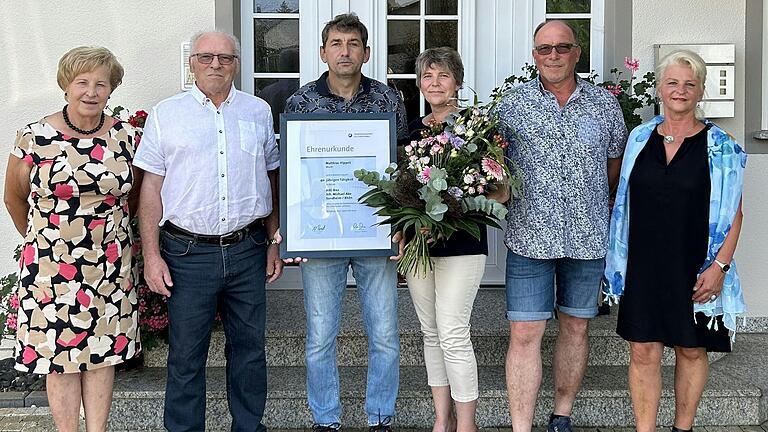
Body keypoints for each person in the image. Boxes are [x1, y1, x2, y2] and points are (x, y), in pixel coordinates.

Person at [134, 30, 283, 432]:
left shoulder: (257, 112)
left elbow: (270, 180)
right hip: (186, 254)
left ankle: (249, 427)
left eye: (225, 57)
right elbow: (150, 189)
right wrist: (151, 256)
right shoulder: (166, 114)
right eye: (206, 57)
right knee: (185, 356)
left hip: (248, 248)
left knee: (250, 353)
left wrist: (273, 240)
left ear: (237, 63)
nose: (215, 64)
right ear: (191, 62)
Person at [603, 50, 746, 432]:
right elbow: (622, 201)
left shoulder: (721, 145)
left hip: (696, 266)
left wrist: (719, 267)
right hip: (644, 265)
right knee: (643, 350)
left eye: (689, 84)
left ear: (700, 92)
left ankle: (683, 428)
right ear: (659, 88)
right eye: (672, 82)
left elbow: (735, 214)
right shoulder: (638, 138)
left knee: (692, 349)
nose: (680, 90)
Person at [495, 20, 627, 432]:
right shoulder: (510, 106)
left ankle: (562, 415)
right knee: (525, 332)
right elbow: (492, 166)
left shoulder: (605, 106)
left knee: (575, 326)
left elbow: (614, 166)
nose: (553, 56)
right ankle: (521, 427)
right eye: (544, 49)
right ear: (533, 55)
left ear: (577, 52)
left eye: (562, 48)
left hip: (588, 237)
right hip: (530, 236)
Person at [3, 46, 141, 432]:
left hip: (110, 264)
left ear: (111, 90)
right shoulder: (34, 137)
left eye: (101, 83)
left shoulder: (127, 136)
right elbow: (13, 197)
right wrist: (42, 242)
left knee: (102, 354)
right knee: (57, 358)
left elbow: (136, 192)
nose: (91, 91)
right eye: (82, 82)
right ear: (66, 85)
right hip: (50, 268)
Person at [283, 13, 408, 432]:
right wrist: (294, 230)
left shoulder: (389, 100)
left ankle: (380, 416)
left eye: (353, 44)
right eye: (336, 44)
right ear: (322, 51)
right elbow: (293, 173)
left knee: (385, 334)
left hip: (377, 231)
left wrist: (402, 225)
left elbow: (404, 166)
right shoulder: (300, 102)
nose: (344, 52)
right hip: (321, 235)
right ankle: (325, 419)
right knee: (320, 336)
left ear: (366, 52)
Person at [403, 47, 509, 432]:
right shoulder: (414, 131)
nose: (435, 83)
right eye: (428, 76)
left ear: (458, 83)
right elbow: (404, 189)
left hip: (462, 245)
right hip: (421, 247)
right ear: (419, 83)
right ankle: (441, 419)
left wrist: (457, 205)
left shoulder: (476, 127)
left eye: (443, 76)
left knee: (452, 332)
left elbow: (501, 189)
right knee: (430, 332)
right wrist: (407, 224)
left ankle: (467, 424)